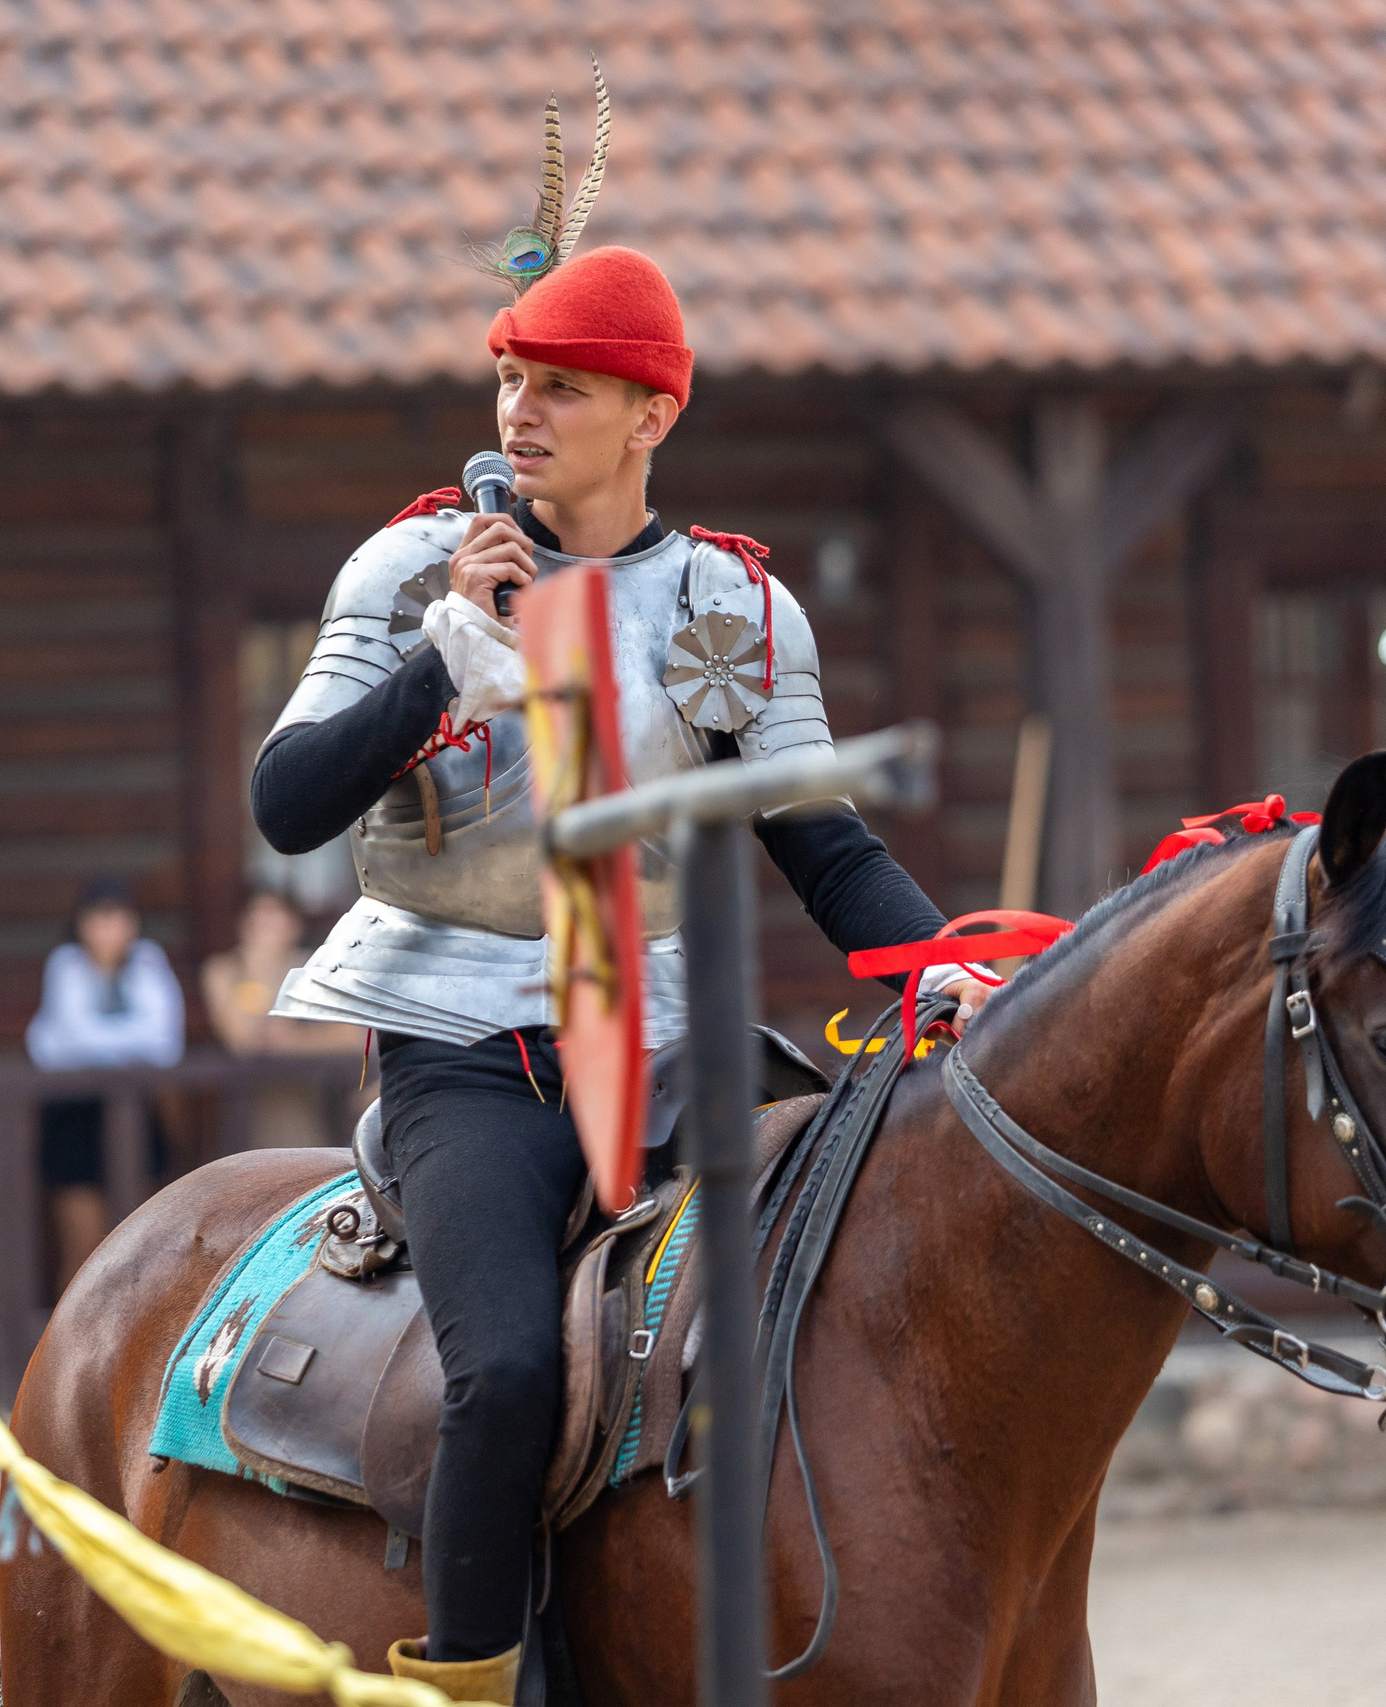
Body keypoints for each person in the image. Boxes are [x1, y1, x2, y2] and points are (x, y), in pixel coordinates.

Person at [249, 84, 994, 1703]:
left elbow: (824, 850)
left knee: (855, 1298)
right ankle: (468, 1682)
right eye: (510, 380)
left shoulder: (734, 606)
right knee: (510, 1369)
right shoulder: (410, 569)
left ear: (651, 414)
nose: (521, 412)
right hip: (464, 1047)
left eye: (562, 388)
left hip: (670, 1038)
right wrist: (441, 661)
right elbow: (287, 801)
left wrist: (938, 964)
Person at [26, 876, 186, 1290]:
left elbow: (165, 1040)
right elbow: (75, 1036)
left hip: (136, 1108)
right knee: (83, 1245)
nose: (109, 930)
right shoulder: (65, 965)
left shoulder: (148, 961)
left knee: (142, 1240)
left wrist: (100, 1046)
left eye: (117, 919)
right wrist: (130, 1046)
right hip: (75, 1112)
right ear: (81, 925)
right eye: (99, 919)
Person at [201, 888, 365, 1149]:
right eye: (257, 919)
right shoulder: (223, 970)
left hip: (310, 1102)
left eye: (275, 917)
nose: (266, 928)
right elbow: (241, 1039)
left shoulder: (315, 969)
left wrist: (295, 1040)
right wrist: (261, 967)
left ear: (295, 925)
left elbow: (353, 1036)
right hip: (249, 1107)